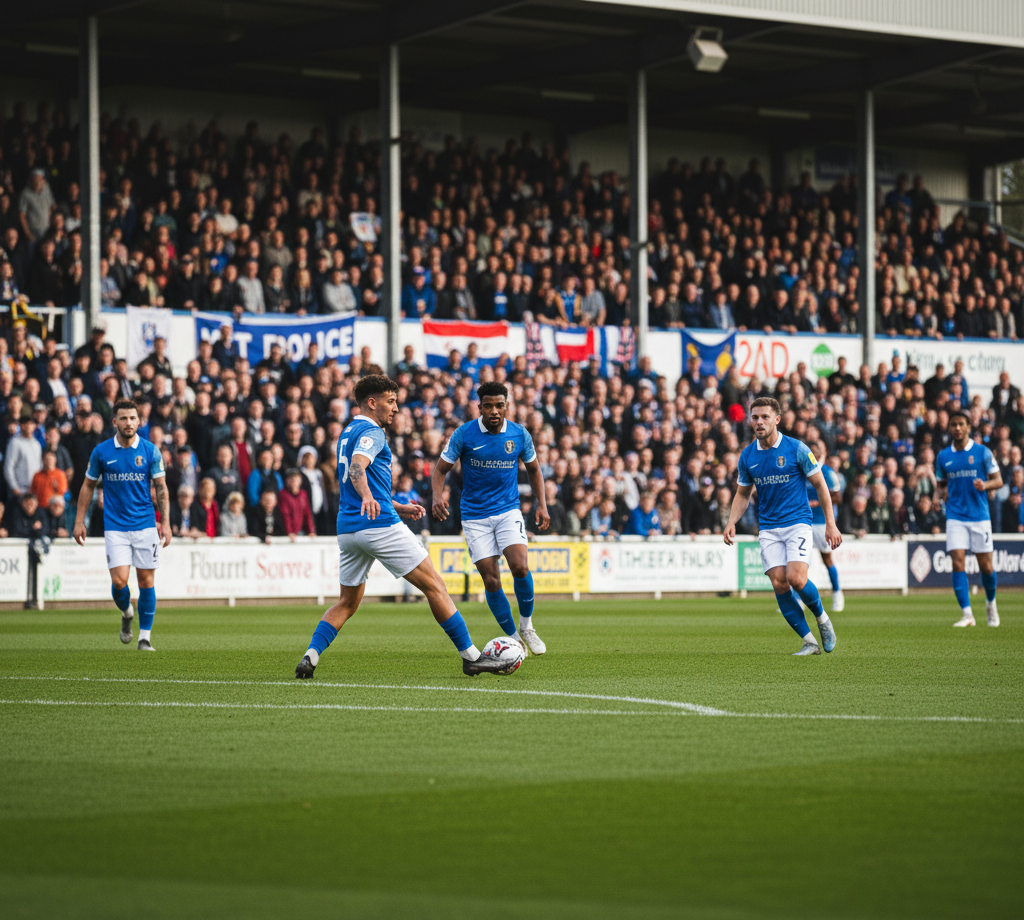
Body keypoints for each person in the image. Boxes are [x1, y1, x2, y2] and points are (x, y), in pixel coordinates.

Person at [295, 374, 513, 679]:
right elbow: (358, 467)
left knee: (346, 602)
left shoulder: (348, 431)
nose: (396, 409)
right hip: (379, 525)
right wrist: (372, 498)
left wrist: (396, 505)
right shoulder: (374, 433)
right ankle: (472, 657)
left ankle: (311, 655)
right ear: (372, 403)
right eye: (391, 402)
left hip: (348, 529)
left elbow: (357, 477)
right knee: (435, 586)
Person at [431, 381, 550, 656]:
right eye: (488, 406)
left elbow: (534, 469)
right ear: (479, 407)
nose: (494, 411)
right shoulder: (464, 435)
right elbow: (440, 470)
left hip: (508, 510)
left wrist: (541, 505)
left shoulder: (520, 434)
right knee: (492, 580)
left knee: (520, 567)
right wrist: (437, 497)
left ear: (507, 406)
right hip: (475, 516)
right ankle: (512, 639)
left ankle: (527, 627)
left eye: (499, 405)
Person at [723, 397, 841, 656]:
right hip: (768, 528)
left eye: (765, 417)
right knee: (779, 584)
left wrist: (830, 524)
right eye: (755, 417)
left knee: (796, 579)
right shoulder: (748, 456)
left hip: (798, 522)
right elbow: (743, 494)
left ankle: (823, 620)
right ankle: (809, 641)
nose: (759, 422)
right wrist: (731, 521)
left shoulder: (797, 448)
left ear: (777, 419)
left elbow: (822, 485)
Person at [73, 399, 171, 651]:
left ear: (139, 421)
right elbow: (88, 485)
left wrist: (166, 523)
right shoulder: (102, 451)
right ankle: (127, 613)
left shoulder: (150, 451)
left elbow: (161, 488)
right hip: (115, 526)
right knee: (119, 582)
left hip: (145, 524)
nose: (129, 423)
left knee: (146, 581)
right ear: (115, 421)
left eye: (133, 418)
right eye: (123, 418)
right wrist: (79, 520)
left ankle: (145, 637)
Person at [935, 411, 1003, 627]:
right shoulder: (943, 456)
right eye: (953, 424)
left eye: (961, 424)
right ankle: (967, 614)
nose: (957, 428)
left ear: (968, 427)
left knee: (987, 567)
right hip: (955, 516)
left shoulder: (982, 452)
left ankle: (991, 603)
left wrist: (986, 485)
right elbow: (941, 484)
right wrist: (939, 497)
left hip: (979, 516)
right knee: (957, 562)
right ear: (949, 428)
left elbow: (998, 480)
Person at [806, 454, 845, 612]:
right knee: (799, 562)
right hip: (803, 523)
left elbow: (838, 498)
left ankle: (837, 593)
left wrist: (817, 503)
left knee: (827, 559)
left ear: (821, 454)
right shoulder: (800, 469)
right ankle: (797, 600)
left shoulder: (827, 472)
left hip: (822, 523)